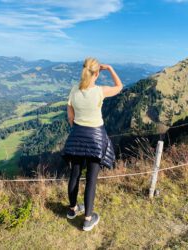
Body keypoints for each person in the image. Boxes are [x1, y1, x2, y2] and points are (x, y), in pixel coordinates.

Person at [61, 57, 123, 231]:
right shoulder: (99, 91)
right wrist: (110, 68)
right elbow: (119, 87)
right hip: (95, 138)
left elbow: (70, 117)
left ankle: (72, 210)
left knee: (74, 175)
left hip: (77, 136)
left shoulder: (74, 90)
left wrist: (78, 130)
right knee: (91, 180)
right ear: (97, 73)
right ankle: (88, 219)